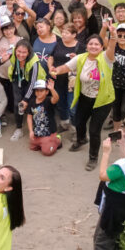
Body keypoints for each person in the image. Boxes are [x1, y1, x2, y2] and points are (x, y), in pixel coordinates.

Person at [51, 32, 116, 171]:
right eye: (91, 44)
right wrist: (56, 70)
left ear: (101, 47)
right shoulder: (81, 58)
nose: (93, 46)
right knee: (79, 122)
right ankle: (81, 139)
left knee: (94, 130)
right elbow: (66, 67)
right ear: (86, 46)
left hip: (103, 101)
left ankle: (93, 158)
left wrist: (114, 37)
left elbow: (111, 49)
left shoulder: (106, 58)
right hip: (85, 97)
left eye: (97, 44)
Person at [0, 40, 44, 141]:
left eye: (24, 52)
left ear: (29, 52)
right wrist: (2, 60)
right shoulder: (11, 52)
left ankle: (37, 126)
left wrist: (26, 99)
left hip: (31, 82)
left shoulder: (34, 62)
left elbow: (32, 83)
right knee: (18, 104)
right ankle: (19, 128)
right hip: (17, 78)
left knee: (33, 103)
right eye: (19, 51)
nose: (21, 55)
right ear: (15, 50)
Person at [48, 23, 79, 130]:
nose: (64, 35)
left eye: (67, 33)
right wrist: (50, 67)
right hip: (58, 79)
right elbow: (51, 57)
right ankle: (64, 123)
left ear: (74, 35)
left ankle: (75, 129)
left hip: (72, 82)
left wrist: (77, 58)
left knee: (72, 107)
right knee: (61, 103)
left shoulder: (80, 47)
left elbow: (86, 63)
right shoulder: (58, 44)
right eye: (63, 32)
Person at [21, 79, 62, 156]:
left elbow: (56, 98)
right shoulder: (32, 102)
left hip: (49, 132)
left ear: (46, 92)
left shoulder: (48, 100)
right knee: (32, 147)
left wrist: (52, 89)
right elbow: (29, 117)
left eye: (41, 90)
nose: (38, 92)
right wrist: (31, 131)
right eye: (37, 90)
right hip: (38, 132)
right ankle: (44, 142)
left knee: (46, 152)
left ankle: (57, 140)